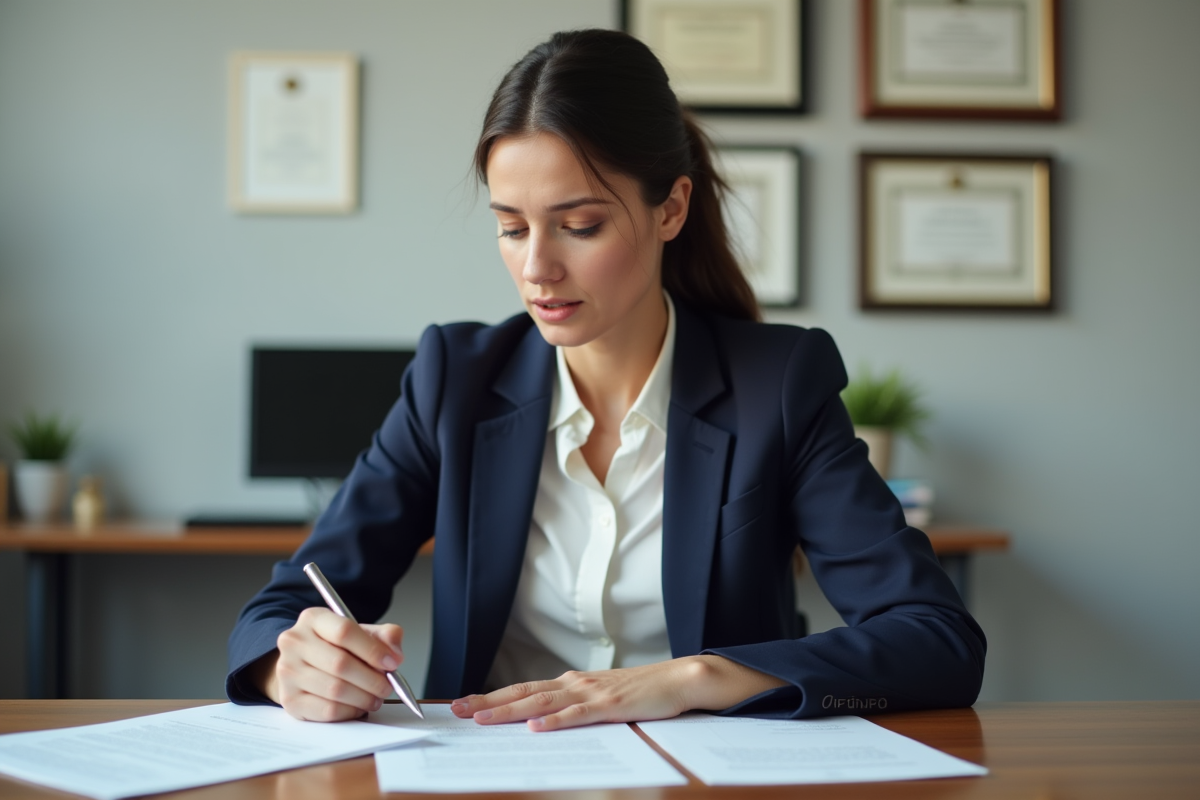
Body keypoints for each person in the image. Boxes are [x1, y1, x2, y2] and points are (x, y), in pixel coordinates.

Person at [226, 29, 985, 731]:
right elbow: (289, 603)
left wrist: (695, 678)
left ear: (671, 209)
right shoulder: (454, 381)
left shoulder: (776, 387)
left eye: (580, 225)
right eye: (512, 227)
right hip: (488, 770)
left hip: (706, 776)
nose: (537, 269)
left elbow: (937, 641)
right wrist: (288, 665)